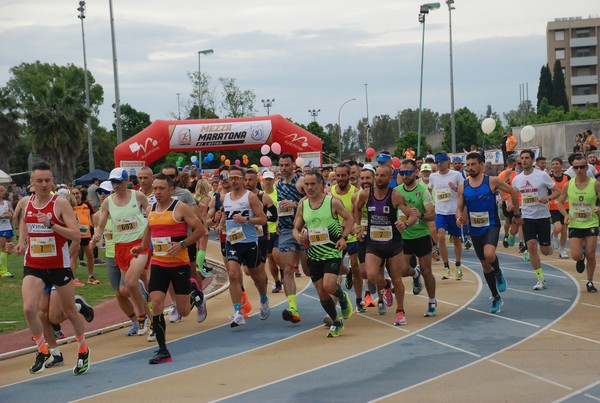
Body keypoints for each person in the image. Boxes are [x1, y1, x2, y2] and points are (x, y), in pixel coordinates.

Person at [12, 161, 90, 375]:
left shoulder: (60, 204)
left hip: (58, 265)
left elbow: (76, 234)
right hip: (34, 264)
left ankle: (83, 350)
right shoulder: (26, 202)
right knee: (29, 309)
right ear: (31, 182)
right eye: (40, 181)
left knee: (69, 312)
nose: (44, 184)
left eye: (48, 180)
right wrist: (21, 242)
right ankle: (42, 350)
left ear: (53, 181)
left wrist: (52, 225)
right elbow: (25, 222)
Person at [131, 174, 207, 364]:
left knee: (183, 311)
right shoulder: (151, 209)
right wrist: (142, 247)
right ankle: (163, 350)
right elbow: (149, 228)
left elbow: (201, 230)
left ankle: (193, 291)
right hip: (158, 263)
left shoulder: (180, 208)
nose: (156, 192)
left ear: (171, 189)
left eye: (161, 188)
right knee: (156, 302)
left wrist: (182, 244)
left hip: (179, 265)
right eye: (155, 188)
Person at [456, 152, 521, 312]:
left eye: (473, 164)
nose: (470, 167)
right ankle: (496, 296)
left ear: (481, 165)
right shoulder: (463, 185)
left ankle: (498, 272)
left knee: (489, 254)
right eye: (468, 165)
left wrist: (517, 213)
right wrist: (459, 218)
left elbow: (513, 192)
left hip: (491, 224)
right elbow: (459, 207)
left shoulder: (492, 181)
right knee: (485, 265)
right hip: (475, 228)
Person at [91, 168, 152, 335]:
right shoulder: (107, 202)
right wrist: (96, 237)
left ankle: (146, 317)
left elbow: (150, 211)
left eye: (118, 181)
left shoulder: (137, 196)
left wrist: (152, 216)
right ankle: (147, 317)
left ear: (126, 181)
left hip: (139, 244)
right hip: (120, 247)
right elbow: (101, 225)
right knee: (130, 288)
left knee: (132, 283)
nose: (115, 185)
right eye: (113, 182)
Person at [353, 164, 417, 326]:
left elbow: (412, 216)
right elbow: (357, 209)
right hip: (373, 243)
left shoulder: (395, 195)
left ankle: (400, 311)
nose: (379, 179)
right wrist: (358, 228)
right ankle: (385, 285)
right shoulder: (366, 194)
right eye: (378, 175)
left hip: (393, 244)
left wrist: (406, 224)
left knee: (398, 279)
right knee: (371, 275)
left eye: (383, 176)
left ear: (390, 178)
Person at [293, 169, 354, 337]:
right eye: (307, 184)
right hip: (313, 254)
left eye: (313, 184)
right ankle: (336, 321)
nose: (310, 187)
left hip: (332, 251)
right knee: (321, 292)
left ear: (321, 184)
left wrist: (344, 238)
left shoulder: (332, 202)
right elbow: (296, 227)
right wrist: (297, 235)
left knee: (328, 285)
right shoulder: (302, 205)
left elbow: (349, 219)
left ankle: (342, 298)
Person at [218, 165, 268, 327]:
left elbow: (263, 219)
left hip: (249, 242)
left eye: (236, 178)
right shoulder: (224, 197)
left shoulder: (250, 197)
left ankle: (263, 298)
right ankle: (238, 311)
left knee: (256, 276)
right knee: (233, 274)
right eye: (229, 177)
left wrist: (246, 220)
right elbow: (227, 214)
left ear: (242, 179)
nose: (232, 181)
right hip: (232, 242)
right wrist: (221, 222)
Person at [512, 150, 560, 290]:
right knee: (531, 245)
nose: (524, 160)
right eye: (522, 158)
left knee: (545, 251)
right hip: (527, 217)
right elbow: (513, 195)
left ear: (532, 160)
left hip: (543, 217)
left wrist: (549, 198)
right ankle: (540, 279)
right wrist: (512, 206)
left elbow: (557, 191)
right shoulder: (517, 179)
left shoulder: (542, 175)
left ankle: (550, 240)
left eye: (527, 158)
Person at [395, 159, 437, 317]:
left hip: (421, 235)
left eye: (407, 172)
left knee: (427, 270)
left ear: (415, 173)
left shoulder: (423, 191)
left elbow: (432, 215)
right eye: (402, 173)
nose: (404, 176)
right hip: (404, 237)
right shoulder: (397, 191)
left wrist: (422, 215)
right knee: (403, 270)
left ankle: (432, 301)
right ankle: (415, 274)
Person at [556, 154, 600, 293]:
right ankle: (580, 259)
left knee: (591, 253)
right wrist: (566, 215)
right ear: (573, 169)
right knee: (576, 255)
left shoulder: (595, 184)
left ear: (587, 167)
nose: (579, 169)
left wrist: (599, 207)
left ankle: (589, 281)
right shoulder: (568, 185)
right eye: (576, 167)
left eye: (582, 166)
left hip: (591, 222)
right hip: (575, 224)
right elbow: (560, 203)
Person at [276, 153, 306, 323]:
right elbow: (281, 204)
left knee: (309, 270)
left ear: (293, 165)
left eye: (286, 165)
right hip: (287, 230)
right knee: (287, 269)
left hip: (303, 229)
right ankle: (293, 308)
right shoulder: (279, 184)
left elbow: (310, 198)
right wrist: (280, 220)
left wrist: (295, 204)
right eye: (281, 165)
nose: (283, 169)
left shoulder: (300, 181)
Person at [330, 163, 362, 310]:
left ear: (350, 176)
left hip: (352, 235)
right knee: (336, 269)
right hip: (336, 236)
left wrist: (355, 229)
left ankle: (359, 299)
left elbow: (357, 216)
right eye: (338, 175)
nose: (341, 178)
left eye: (344, 175)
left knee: (356, 267)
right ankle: (333, 308)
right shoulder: (330, 192)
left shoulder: (356, 193)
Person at [428, 152, 464, 280]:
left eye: (441, 162)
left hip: (454, 212)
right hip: (440, 212)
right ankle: (446, 266)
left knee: (456, 239)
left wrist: (454, 188)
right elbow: (428, 189)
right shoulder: (433, 177)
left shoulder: (456, 175)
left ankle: (458, 265)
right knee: (441, 236)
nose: (438, 164)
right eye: (437, 162)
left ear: (447, 162)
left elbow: (463, 191)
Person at [70, 188, 100, 285]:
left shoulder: (87, 205)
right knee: (74, 257)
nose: (76, 195)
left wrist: (94, 229)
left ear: (81, 194)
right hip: (75, 236)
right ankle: (74, 279)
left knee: (90, 255)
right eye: (73, 193)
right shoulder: (69, 207)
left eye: (77, 193)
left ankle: (90, 277)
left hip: (86, 235)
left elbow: (93, 217)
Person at [261, 170, 282, 293]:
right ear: (262, 181)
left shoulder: (279, 194)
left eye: (270, 179)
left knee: (276, 254)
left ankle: (284, 272)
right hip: (266, 231)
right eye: (266, 179)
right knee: (270, 258)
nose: (268, 181)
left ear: (273, 180)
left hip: (278, 230)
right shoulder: (260, 195)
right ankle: (277, 281)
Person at [548, 158, 570, 259]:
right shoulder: (549, 178)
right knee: (558, 228)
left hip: (566, 206)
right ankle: (555, 235)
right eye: (553, 164)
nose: (555, 166)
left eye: (557, 164)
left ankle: (562, 250)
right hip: (553, 207)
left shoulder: (567, 177)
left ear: (561, 165)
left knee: (564, 230)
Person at [0, 185, 15, 278]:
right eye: (1, 190)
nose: (3, 192)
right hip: (0, 229)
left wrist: (10, 214)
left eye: (4, 190)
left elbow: (13, 213)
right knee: (3, 249)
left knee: (9, 249)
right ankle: (3, 272)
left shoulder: (7, 203)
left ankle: (2, 270)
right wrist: (2, 216)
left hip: (8, 227)